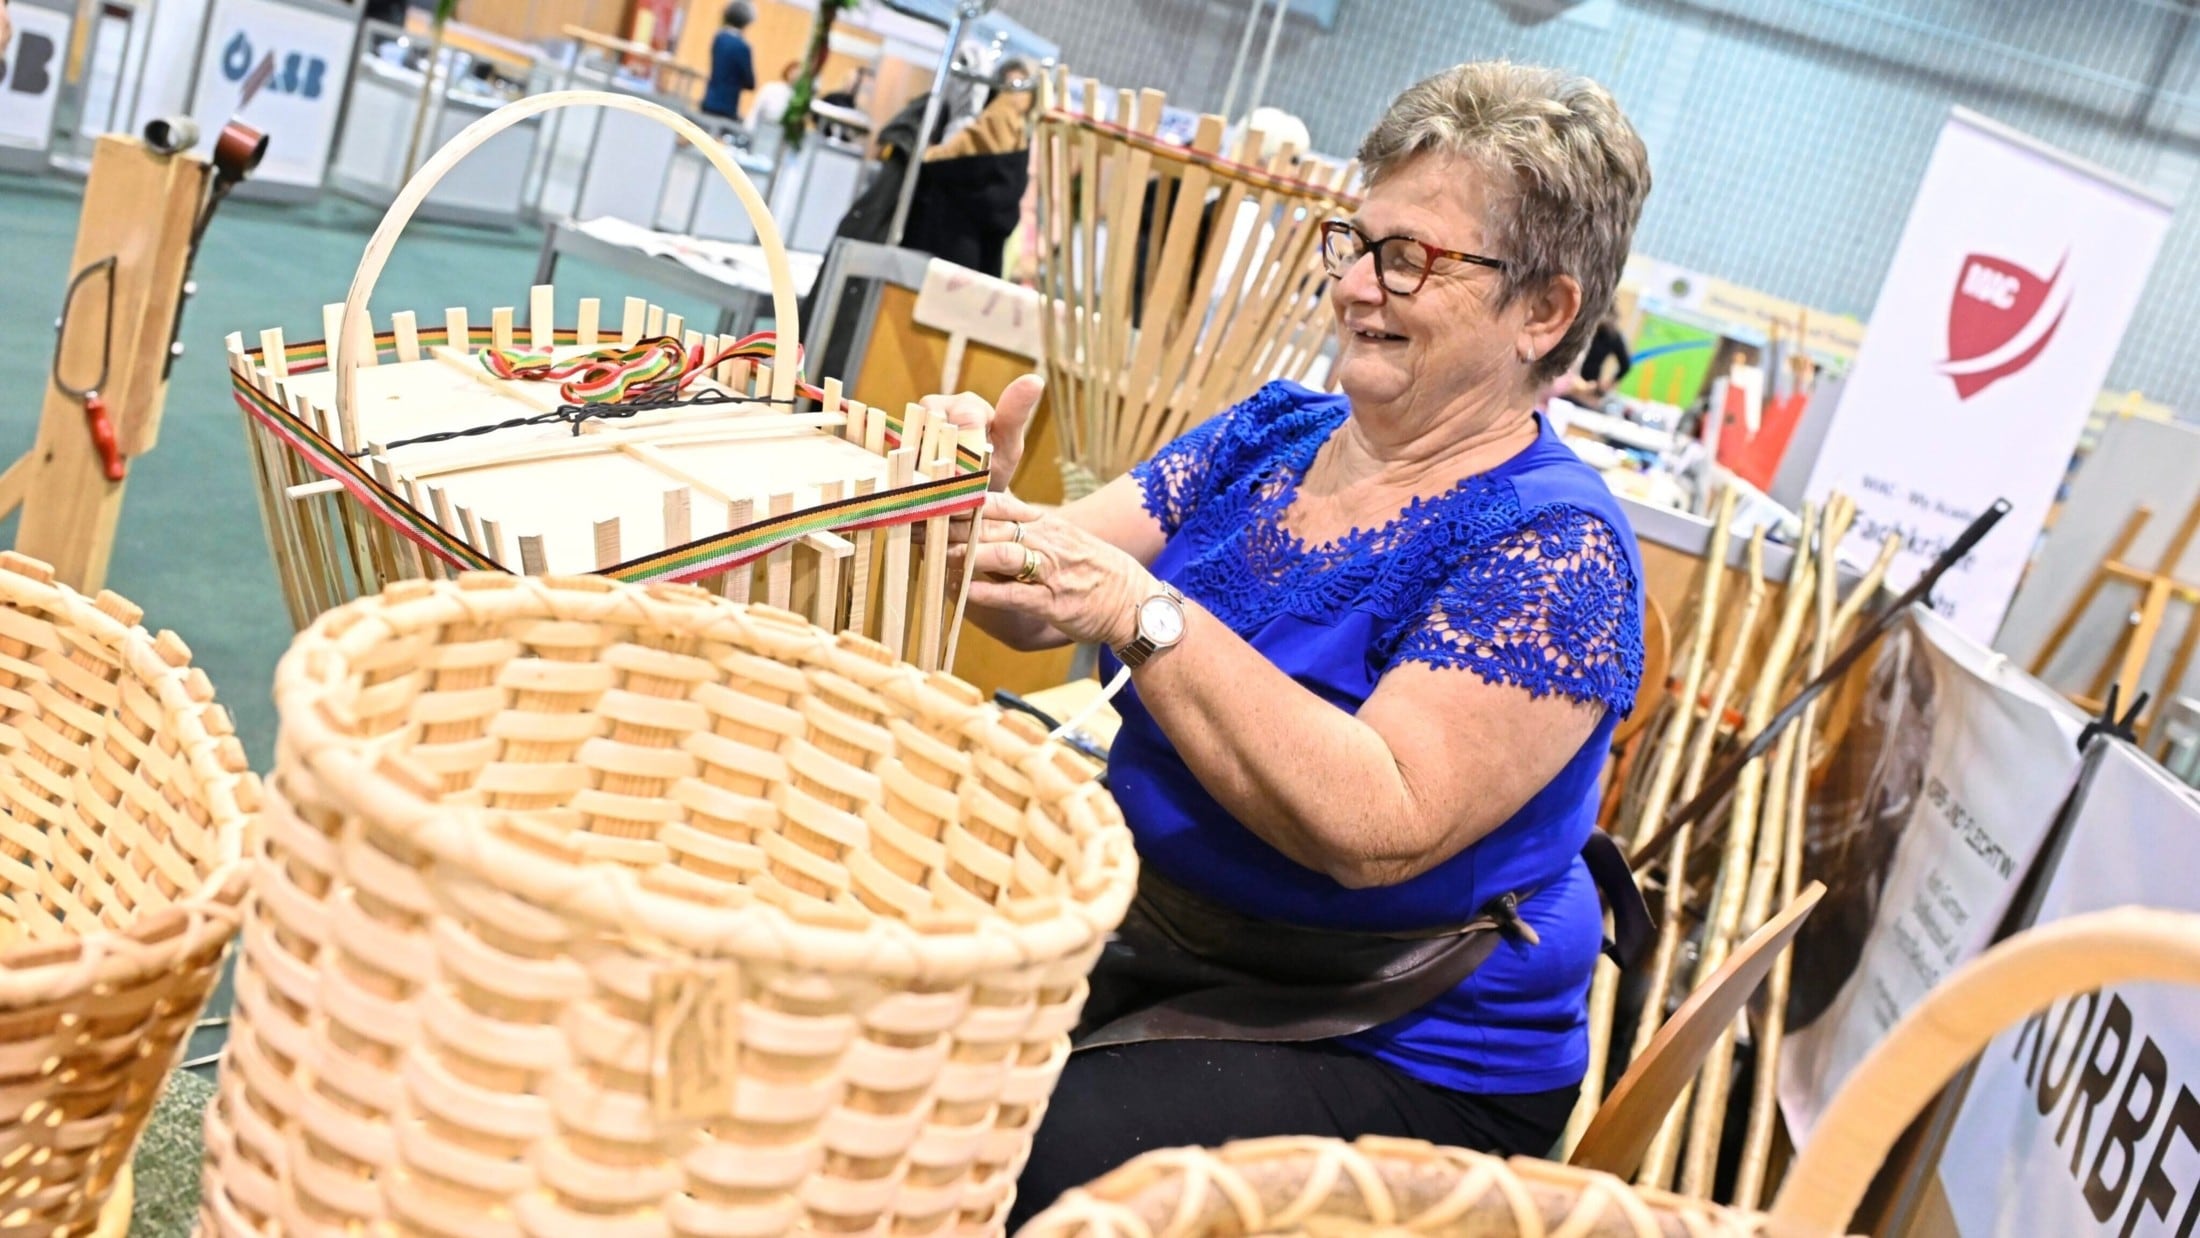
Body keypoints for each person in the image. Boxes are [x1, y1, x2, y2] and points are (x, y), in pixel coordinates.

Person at [925, 61, 1654, 1225]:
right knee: (918, 1039)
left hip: (1397, 1037)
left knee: (1034, 1161)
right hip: (1174, 931)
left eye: (1411, 258)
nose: (1358, 286)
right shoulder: (1275, 430)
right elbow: (1039, 590)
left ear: (1545, 310)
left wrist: (1145, 613)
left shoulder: (1557, 551)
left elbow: (1376, 822)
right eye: (1353, 242)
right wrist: (966, 501)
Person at [698, 1, 755, 123]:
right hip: (727, 106)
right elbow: (750, 82)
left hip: (710, 99)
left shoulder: (719, 39)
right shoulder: (742, 47)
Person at [1577, 312, 1633, 396]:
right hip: (1578, 382)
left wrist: (1608, 383)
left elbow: (1625, 365)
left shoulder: (1611, 335)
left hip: (1588, 385)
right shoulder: (1588, 327)